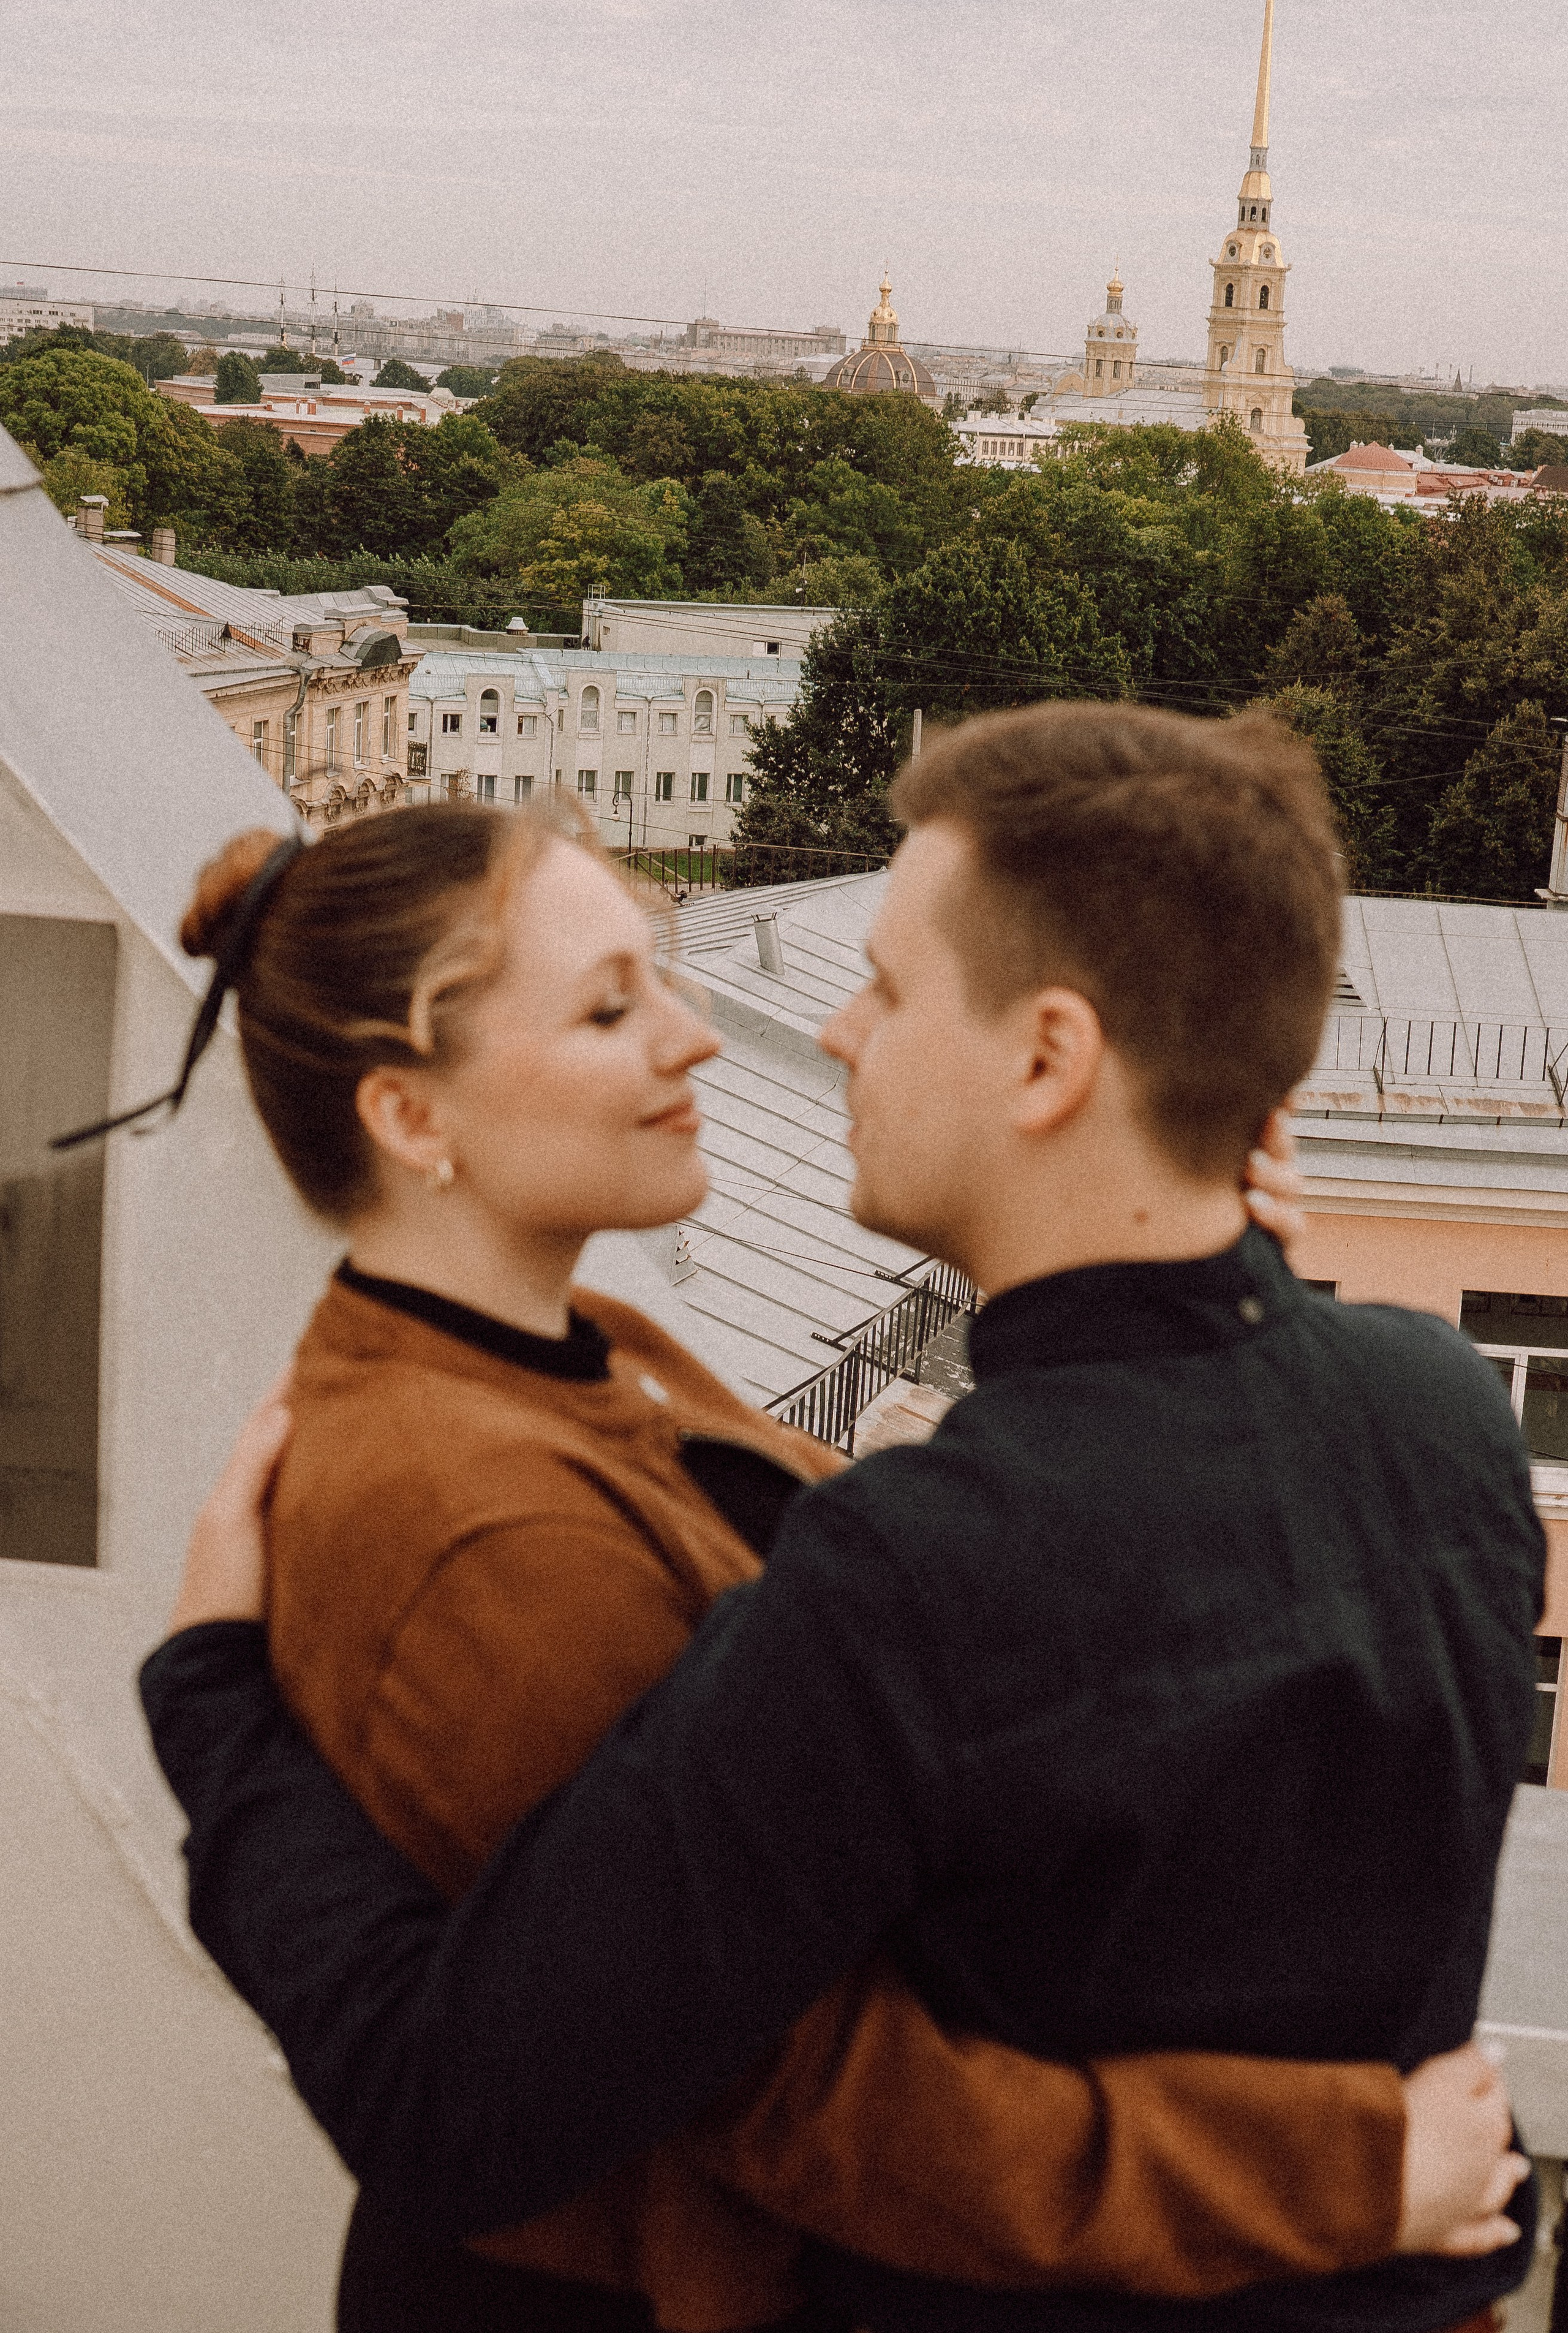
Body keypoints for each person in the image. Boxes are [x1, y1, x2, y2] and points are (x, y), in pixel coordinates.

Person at [140, 708, 1545, 2333]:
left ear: (1049, 1060)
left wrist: (211, 1707)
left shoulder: (895, 1556)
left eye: (883, 985)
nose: (816, 1031)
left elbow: (495, 2092)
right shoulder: (1443, 1406)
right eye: (613, 1002)